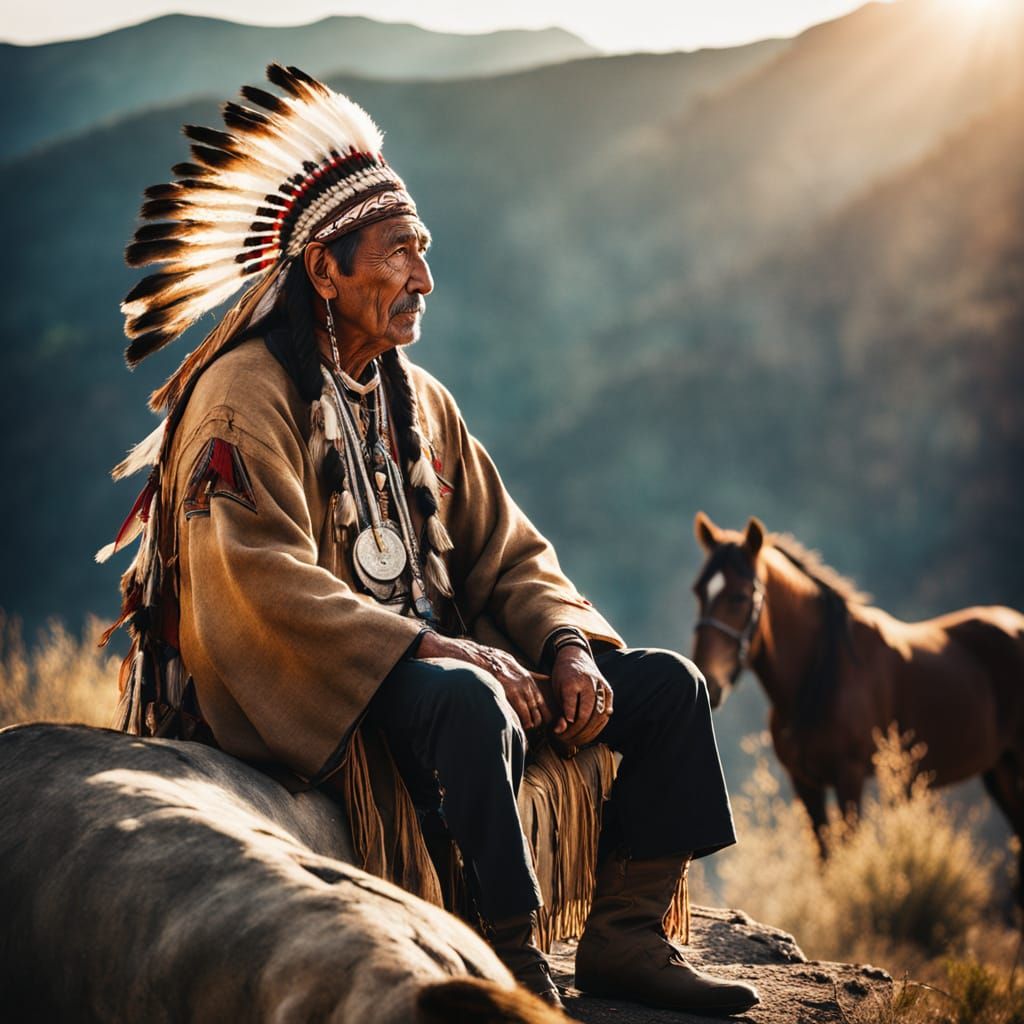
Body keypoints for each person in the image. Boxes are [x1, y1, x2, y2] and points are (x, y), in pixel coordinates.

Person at [100, 64, 758, 1016]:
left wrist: (567, 647)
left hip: (448, 670)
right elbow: (256, 581)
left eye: (425, 248)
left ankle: (623, 938)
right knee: (464, 701)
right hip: (334, 686)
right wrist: (440, 647)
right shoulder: (242, 397)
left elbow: (509, 552)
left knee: (668, 688)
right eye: (400, 253)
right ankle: (511, 959)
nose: (425, 278)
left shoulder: (418, 400)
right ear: (326, 269)